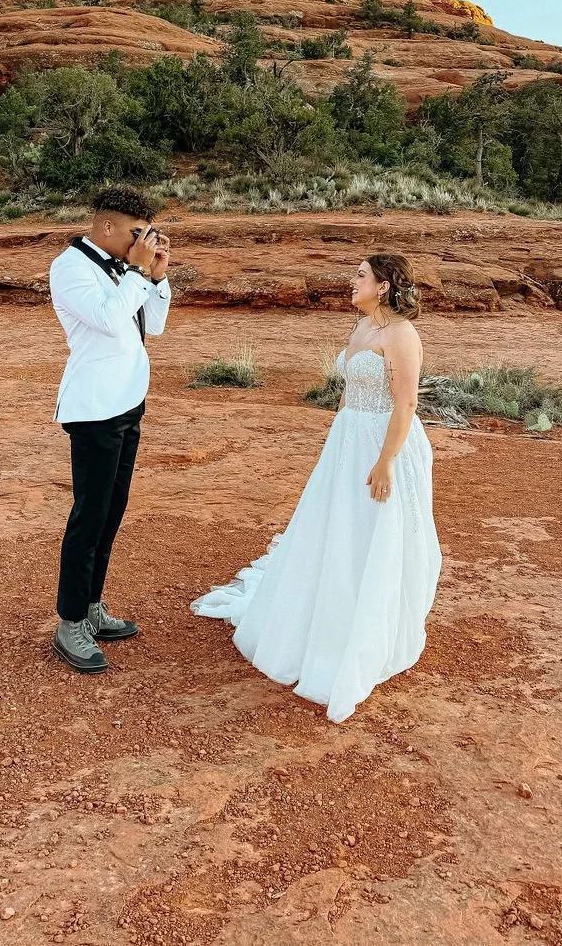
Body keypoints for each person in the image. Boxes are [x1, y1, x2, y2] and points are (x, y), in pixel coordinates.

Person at [191, 254, 441, 723]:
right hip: (349, 441)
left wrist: (384, 462)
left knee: (375, 533)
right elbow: (350, 392)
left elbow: (405, 403)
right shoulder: (362, 328)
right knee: (335, 529)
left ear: (383, 286)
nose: (352, 282)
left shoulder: (402, 335)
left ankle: (364, 632)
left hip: (384, 445)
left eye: (361, 276)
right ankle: (322, 618)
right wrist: (337, 444)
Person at [49, 186, 171, 673]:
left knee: (112, 510)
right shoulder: (70, 267)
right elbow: (105, 318)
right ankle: (70, 621)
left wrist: (156, 278)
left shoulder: (126, 271)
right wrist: (138, 272)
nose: (141, 240)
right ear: (107, 228)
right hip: (94, 406)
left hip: (128, 402)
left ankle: (93, 606)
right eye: (135, 233)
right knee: (90, 513)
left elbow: (152, 327)